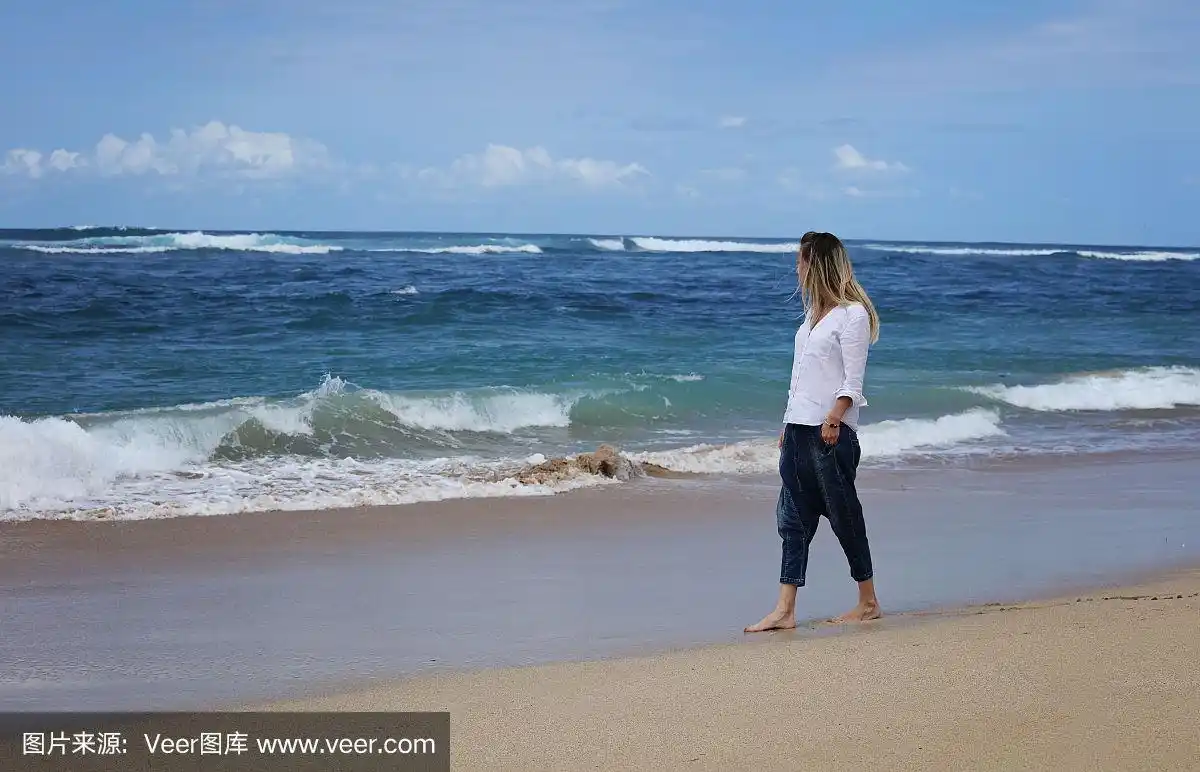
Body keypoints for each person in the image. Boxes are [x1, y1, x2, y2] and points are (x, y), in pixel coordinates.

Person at [745, 231, 882, 633]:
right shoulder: (810, 319)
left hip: (830, 435)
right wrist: (787, 423)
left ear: (815, 263)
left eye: (800, 259)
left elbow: (853, 381)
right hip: (798, 431)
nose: (796, 267)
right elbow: (799, 379)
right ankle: (785, 610)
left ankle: (868, 600)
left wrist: (834, 418)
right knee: (792, 520)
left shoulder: (852, 314)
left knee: (844, 518)